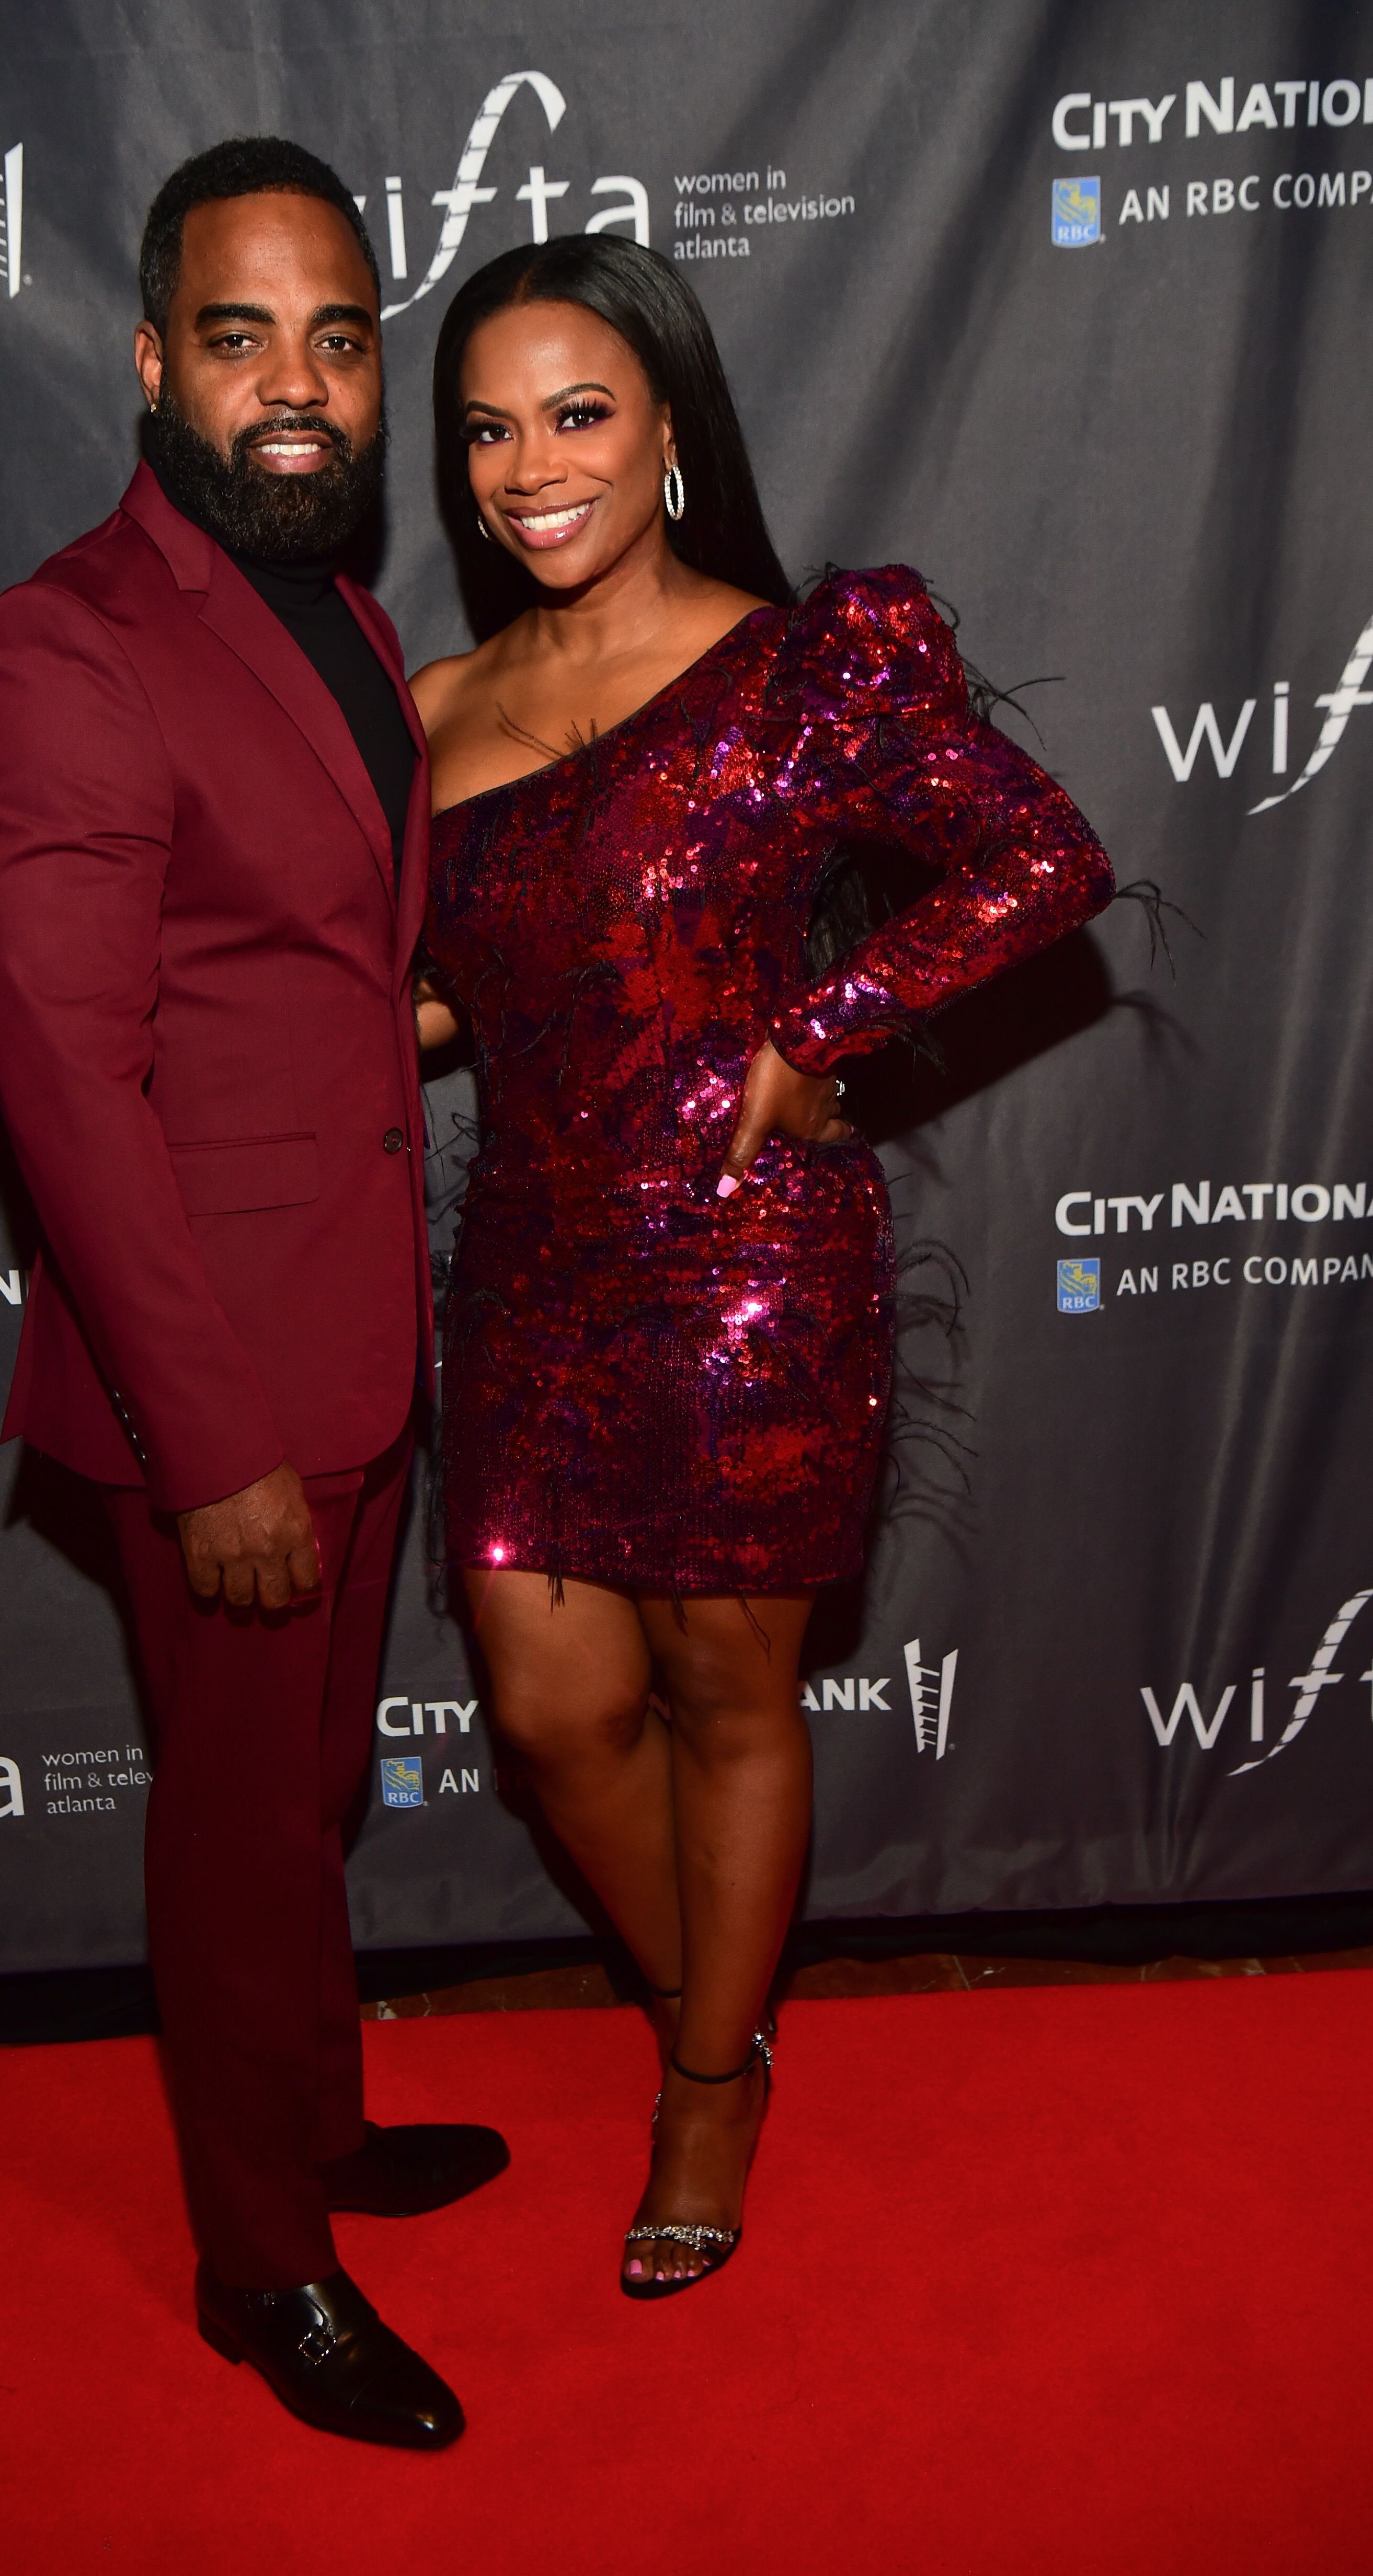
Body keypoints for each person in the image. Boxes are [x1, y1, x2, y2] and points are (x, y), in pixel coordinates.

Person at [410, 236, 1114, 2297]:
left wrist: (823, 1028)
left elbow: (1041, 861)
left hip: (746, 1265)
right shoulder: (440, 703)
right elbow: (470, 993)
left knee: (728, 1686)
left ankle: (708, 2074)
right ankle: (720, 1999)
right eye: (486, 428)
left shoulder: (802, 668)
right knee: (548, 1705)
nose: (527, 465)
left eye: (575, 413)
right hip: (530, 1254)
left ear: (668, 433)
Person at [0, 139, 507, 2450]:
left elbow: (305, 985)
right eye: (244, 331)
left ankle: (320, 2123)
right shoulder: (63, 642)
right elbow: (65, 1083)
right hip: (232, 1390)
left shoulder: (343, 611)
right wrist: (212, 1440)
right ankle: (258, 2265)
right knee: (235, 1810)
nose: (300, 384)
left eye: (343, 336)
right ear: (153, 352)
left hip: (359, 1329)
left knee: (295, 1806)